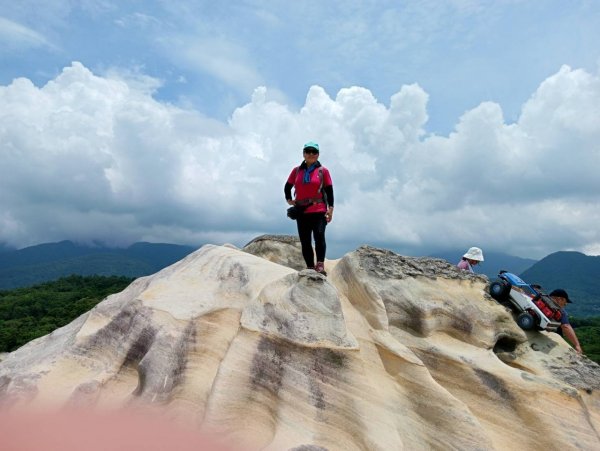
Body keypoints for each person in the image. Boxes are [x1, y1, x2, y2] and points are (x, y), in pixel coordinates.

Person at [284, 141, 334, 274]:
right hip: (302, 211)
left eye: (314, 152)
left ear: (318, 154)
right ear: (303, 154)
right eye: (308, 151)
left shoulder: (323, 171)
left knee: (319, 236)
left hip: (319, 209)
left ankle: (320, 265)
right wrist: (289, 200)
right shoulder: (296, 171)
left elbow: (329, 191)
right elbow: (287, 186)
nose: (311, 154)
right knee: (305, 240)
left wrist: (331, 208)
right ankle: (310, 267)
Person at [549, 288, 583, 354]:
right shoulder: (560, 311)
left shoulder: (540, 302)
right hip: (552, 343)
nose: (565, 304)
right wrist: (577, 345)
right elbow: (566, 326)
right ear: (559, 299)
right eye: (565, 301)